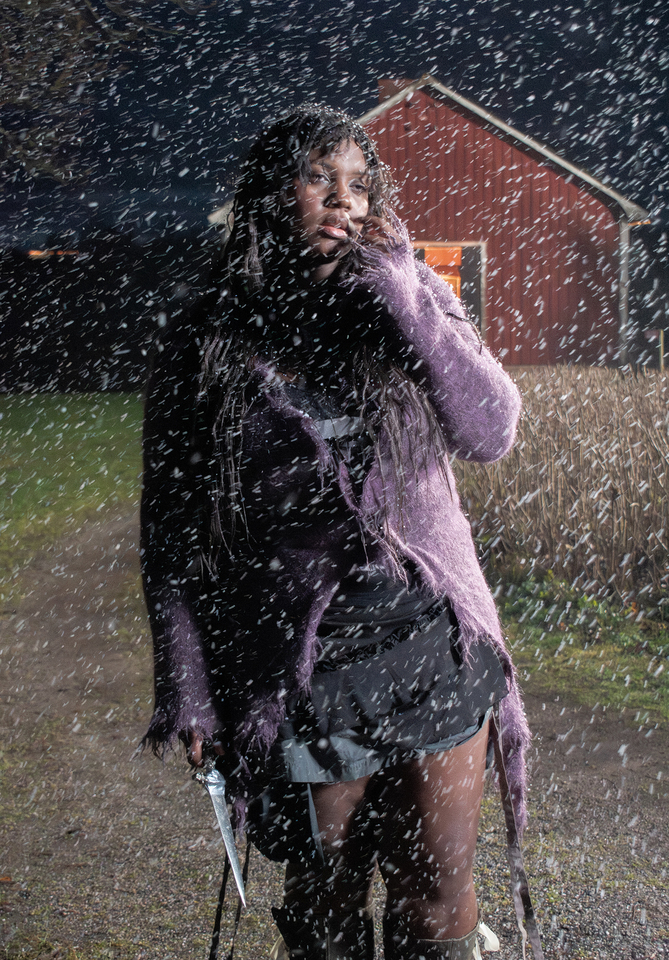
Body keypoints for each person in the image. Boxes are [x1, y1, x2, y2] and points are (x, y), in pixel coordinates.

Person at [141, 104, 531, 960]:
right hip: (304, 663)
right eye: (318, 177)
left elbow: (490, 431)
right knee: (327, 901)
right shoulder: (205, 333)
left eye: (358, 183)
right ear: (270, 194)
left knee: (436, 893)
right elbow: (170, 534)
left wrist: (400, 297)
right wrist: (187, 683)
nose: (341, 199)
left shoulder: (409, 293)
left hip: (431, 640)